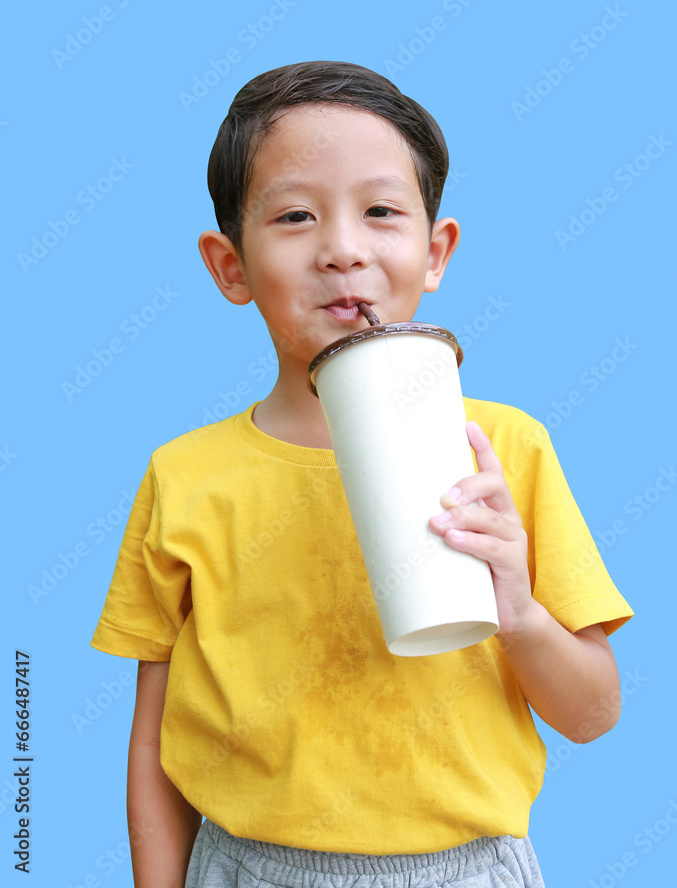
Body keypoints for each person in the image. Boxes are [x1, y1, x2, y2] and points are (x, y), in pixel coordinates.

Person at [90, 60, 634, 888]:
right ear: (230, 266)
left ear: (434, 251)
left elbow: (593, 714)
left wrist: (518, 612)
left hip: (466, 870)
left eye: (380, 212)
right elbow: (154, 744)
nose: (343, 251)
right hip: (246, 868)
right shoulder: (186, 476)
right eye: (296, 216)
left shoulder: (503, 451)